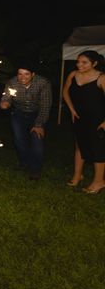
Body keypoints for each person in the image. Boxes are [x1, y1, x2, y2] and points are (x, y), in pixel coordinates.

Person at [62, 50, 105, 193]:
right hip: (79, 118)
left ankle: (99, 181)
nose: (79, 65)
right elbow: (65, 91)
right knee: (80, 146)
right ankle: (77, 176)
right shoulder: (73, 75)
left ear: (95, 63)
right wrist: (72, 109)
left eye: (84, 62)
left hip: (98, 119)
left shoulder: (101, 78)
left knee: (98, 149)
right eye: (78, 61)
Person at [0, 64, 52, 180]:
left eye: (26, 74)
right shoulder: (12, 83)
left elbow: (45, 106)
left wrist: (39, 124)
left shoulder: (43, 83)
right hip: (19, 113)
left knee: (36, 140)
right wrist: (5, 103)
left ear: (33, 74)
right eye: (20, 74)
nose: (22, 77)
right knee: (19, 140)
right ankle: (24, 162)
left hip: (37, 114)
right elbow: (7, 96)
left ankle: (35, 169)